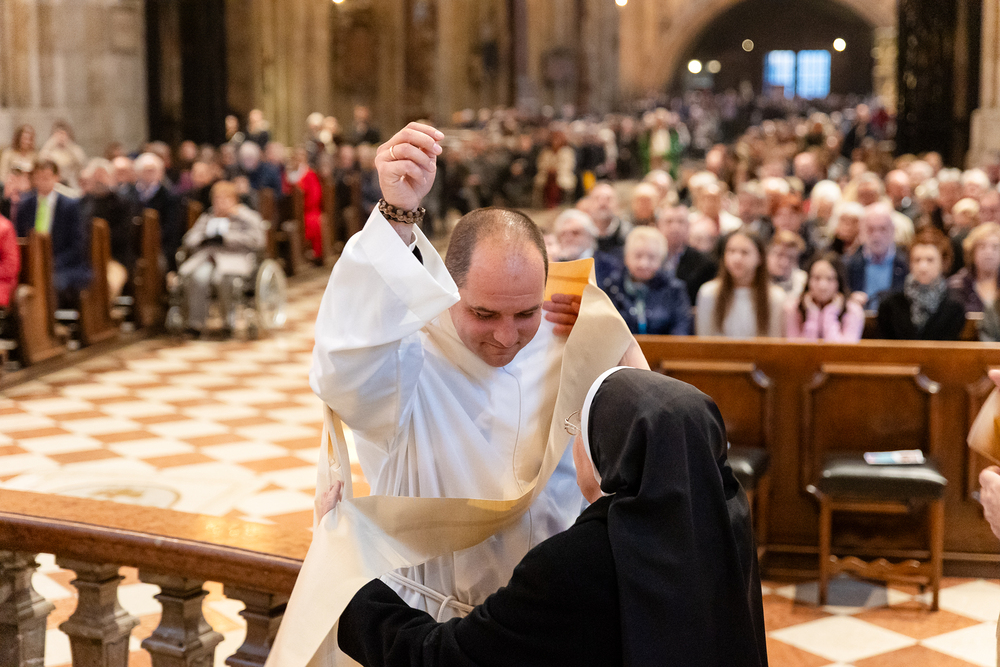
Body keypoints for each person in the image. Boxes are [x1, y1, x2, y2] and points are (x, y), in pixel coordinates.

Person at [308, 122, 645, 626]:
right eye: (484, 314)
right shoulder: (408, 354)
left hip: (556, 621)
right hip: (439, 625)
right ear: (450, 289)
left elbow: (646, 454)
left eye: (525, 313)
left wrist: (617, 344)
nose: (506, 337)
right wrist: (397, 217)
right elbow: (345, 367)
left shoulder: (570, 334)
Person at [337, 368, 768, 667]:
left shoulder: (577, 562)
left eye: (579, 427)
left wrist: (347, 586)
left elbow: (443, 659)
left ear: (607, 452)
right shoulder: (726, 524)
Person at [177, 181, 267, 331]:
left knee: (223, 279)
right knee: (198, 277)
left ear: (234, 199)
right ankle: (196, 323)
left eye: (225, 199)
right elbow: (189, 238)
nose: (221, 203)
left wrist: (227, 239)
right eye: (217, 199)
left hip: (234, 258)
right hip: (208, 258)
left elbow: (258, 240)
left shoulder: (246, 216)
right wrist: (204, 239)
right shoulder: (208, 216)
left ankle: (229, 322)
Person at [14, 160, 91, 308]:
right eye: (39, 177)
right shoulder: (25, 205)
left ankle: (50, 320)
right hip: (32, 263)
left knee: (52, 284)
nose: (43, 182)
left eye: (47, 177)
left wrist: (50, 263)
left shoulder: (70, 206)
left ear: (56, 178)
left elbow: (77, 245)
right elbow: (20, 239)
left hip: (63, 265)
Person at [876, 227, 965, 340]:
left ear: (943, 263)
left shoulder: (954, 307)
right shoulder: (890, 305)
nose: (923, 267)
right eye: (917, 260)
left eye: (930, 260)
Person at [600, 226, 692, 335]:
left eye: (651, 257)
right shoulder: (611, 287)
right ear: (626, 257)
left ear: (661, 260)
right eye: (638, 256)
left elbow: (681, 331)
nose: (644, 264)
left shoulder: (674, 289)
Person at [696, 230, 785, 338]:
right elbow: (704, 340)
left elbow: (775, 341)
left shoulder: (775, 297)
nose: (737, 259)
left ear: (760, 257)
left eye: (745, 252)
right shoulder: (708, 293)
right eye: (731, 251)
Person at [785, 253, 865, 342]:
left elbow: (844, 349)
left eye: (830, 279)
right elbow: (795, 347)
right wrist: (812, 314)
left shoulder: (853, 310)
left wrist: (830, 313)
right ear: (808, 281)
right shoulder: (794, 308)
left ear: (839, 282)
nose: (822, 286)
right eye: (817, 278)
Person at [845, 203, 908, 310]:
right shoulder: (848, 263)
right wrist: (849, 299)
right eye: (871, 229)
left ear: (893, 230)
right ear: (862, 232)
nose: (876, 236)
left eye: (883, 229)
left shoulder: (906, 263)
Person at [656, 204, 716, 305]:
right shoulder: (648, 259)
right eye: (669, 221)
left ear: (688, 227)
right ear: (659, 226)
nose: (675, 227)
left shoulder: (705, 264)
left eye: (680, 222)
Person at [948, 222, 1000, 313]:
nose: (989, 253)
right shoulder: (957, 284)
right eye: (982, 247)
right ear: (972, 252)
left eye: (995, 247)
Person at [285, 147, 324, 261]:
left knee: (311, 223)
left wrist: (302, 206)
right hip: (291, 211)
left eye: (301, 156)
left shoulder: (310, 174)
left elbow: (315, 195)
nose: (298, 159)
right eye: (296, 156)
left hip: (309, 210)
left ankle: (312, 253)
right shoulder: (288, 175)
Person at [766, 230, 807, 298]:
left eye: (791, 258)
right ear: (767, 255)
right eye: (779, 255)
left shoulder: (803, 283)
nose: (784, 263)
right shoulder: (756, 281)